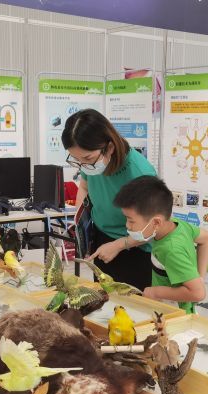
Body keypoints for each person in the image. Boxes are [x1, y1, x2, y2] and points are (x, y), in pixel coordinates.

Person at [62, 109, 156, 290]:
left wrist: (119, 245)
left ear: (110, 147)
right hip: (102, 239)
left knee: (131, 304)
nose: (83, 165)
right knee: (103, 298)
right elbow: (84, 187)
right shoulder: (90, 164)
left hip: (134, 247)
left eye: (87, 158)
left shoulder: (139, 172)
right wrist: (80, 222)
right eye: (76, 159)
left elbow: (152, 226)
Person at [114, 176, 208, 314]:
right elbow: (207, 238)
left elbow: (198, 293)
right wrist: (199, 278)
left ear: (156, 222)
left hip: (175, 315)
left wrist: (156, 292)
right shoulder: (177, 225)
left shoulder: (171, 250)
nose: (127, 225)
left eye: (131, 221)